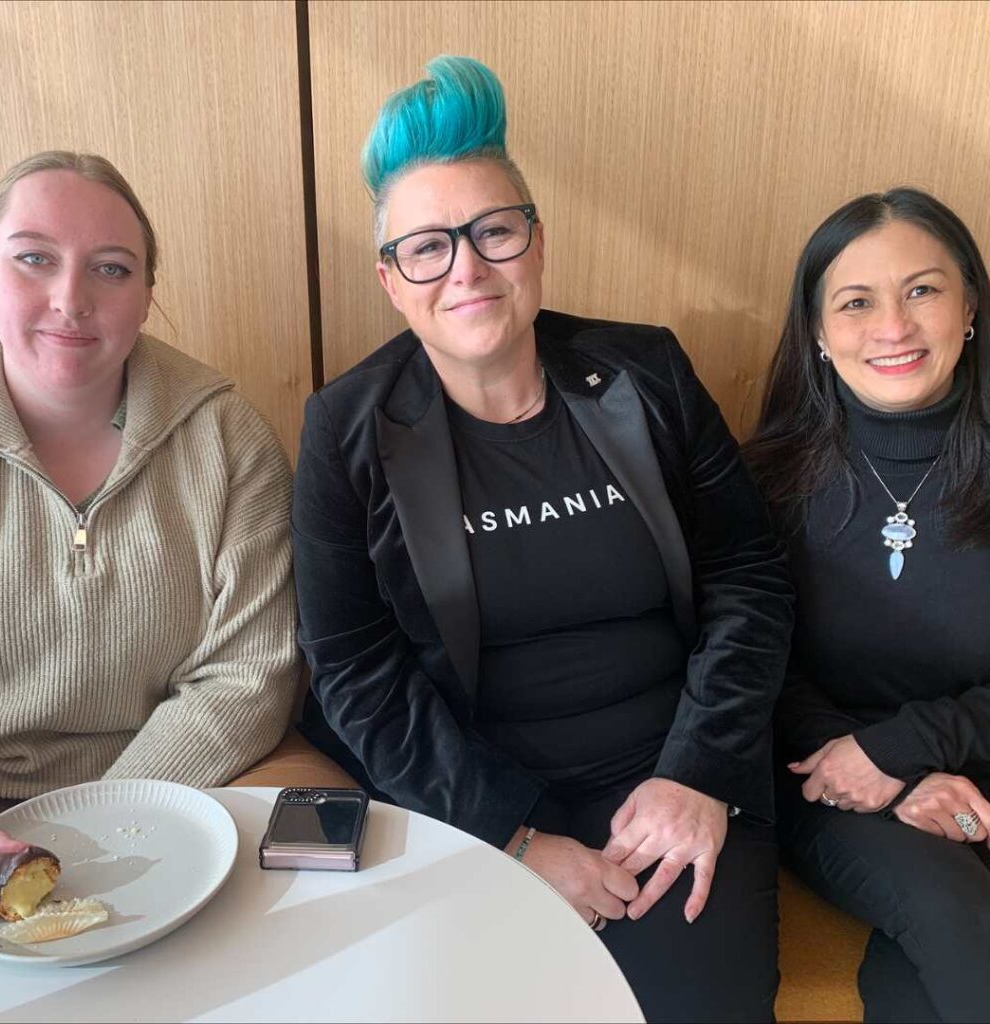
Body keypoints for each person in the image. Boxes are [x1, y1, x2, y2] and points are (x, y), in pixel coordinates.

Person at [294, 57, 793, 1021]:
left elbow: (748, 575)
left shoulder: (644, 372)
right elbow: (350, 666)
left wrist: (697, 774)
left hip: (676, 773)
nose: (468, 268)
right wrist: (512, 836)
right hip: (473, 789)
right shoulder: (345, 429)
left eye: (494, 231)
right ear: (391, 280)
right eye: (428, 247)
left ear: (536, 241)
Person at [0, 151, 299, 827]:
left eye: (111, 268)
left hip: (190, 782)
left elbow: (248, 679)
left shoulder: (231, 438)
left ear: (147, 295)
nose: (71, 299)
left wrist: (90, 829)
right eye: (33, 258)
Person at [744, 188, 990, 1022]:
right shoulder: (766, 480)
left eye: (922, 289)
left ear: (970, 309)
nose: (894, 326)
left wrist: (912, 747)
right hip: (831, 781)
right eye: (856, 302)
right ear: (817, 331)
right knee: (957, 918)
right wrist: (885, 776)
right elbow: (752, 663)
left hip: (966, 759)